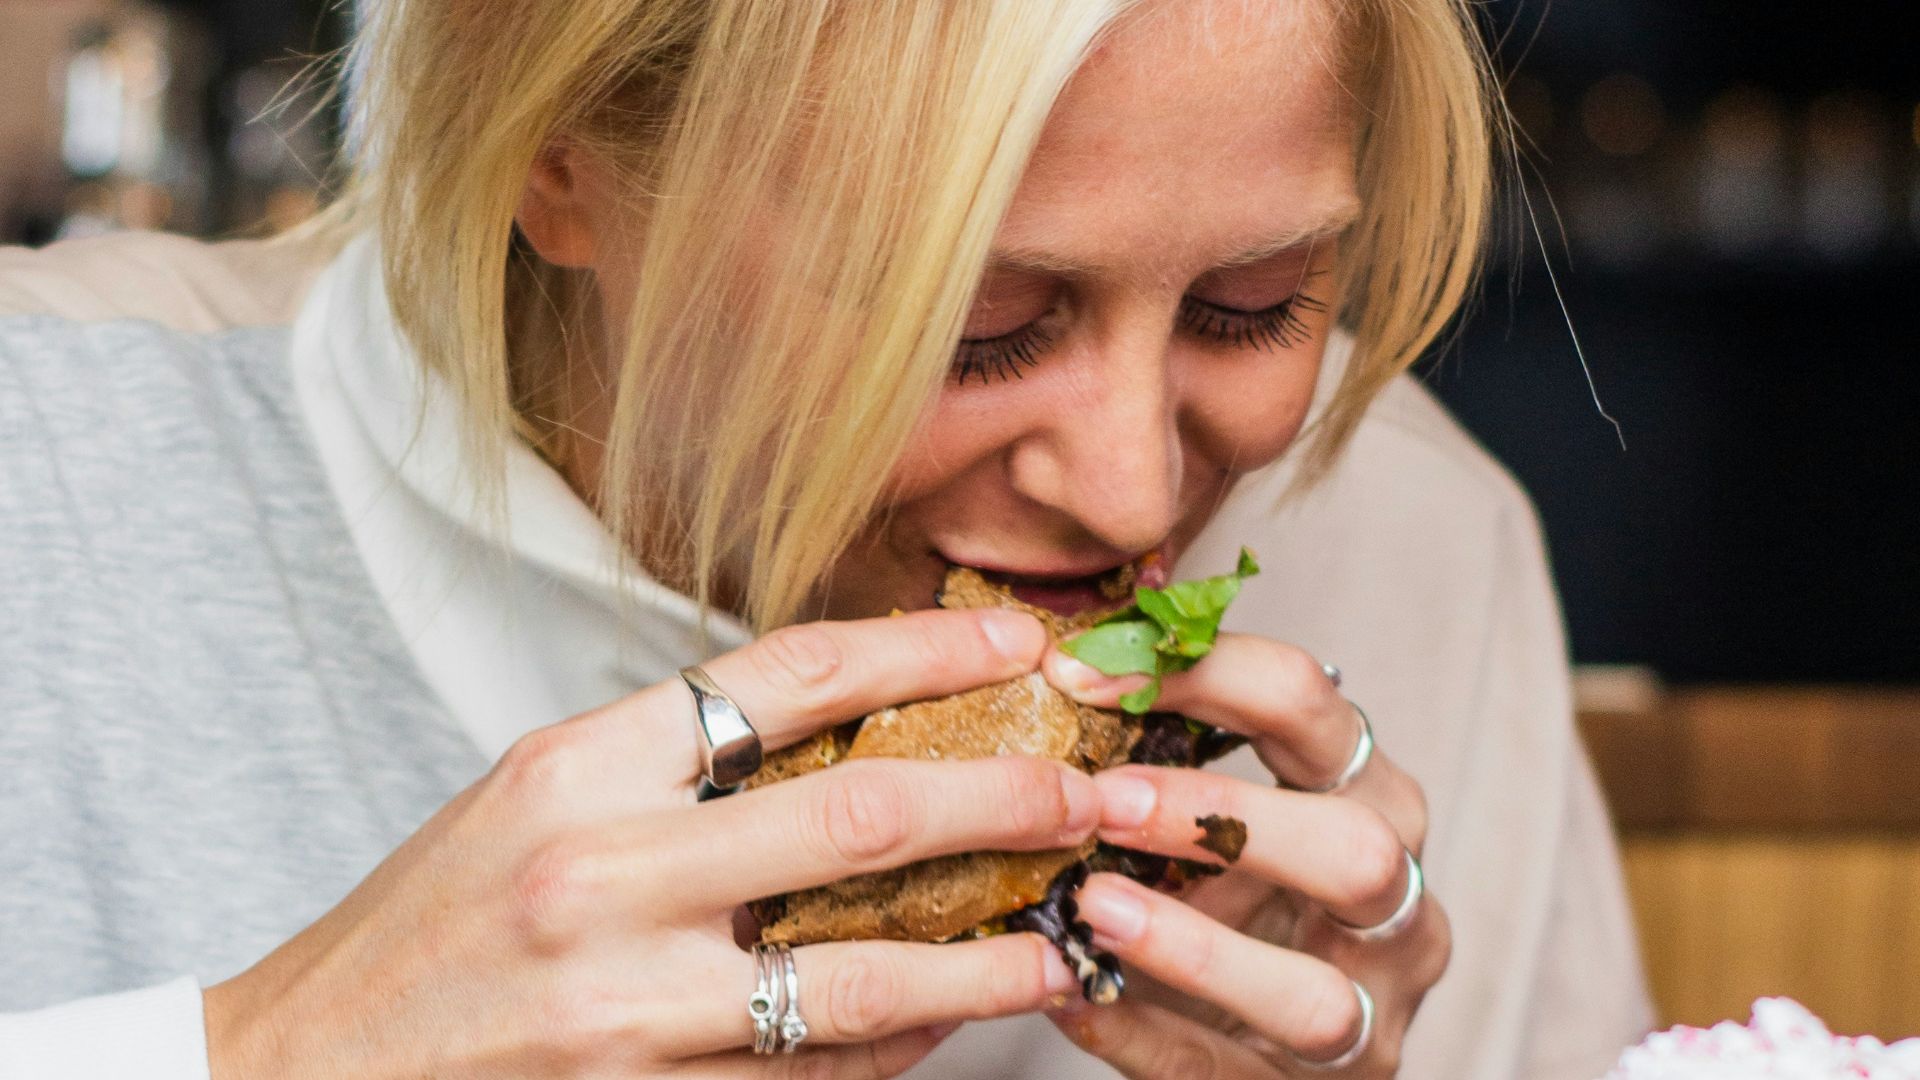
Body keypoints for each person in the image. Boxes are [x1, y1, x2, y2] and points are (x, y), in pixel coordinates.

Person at [0, 0, 1653, 1076]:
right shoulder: (51, 466)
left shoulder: (1420, 542)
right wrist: (268, 1055)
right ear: (556, 153)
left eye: (1256, 306)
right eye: (978, 321)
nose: (1139, 495)